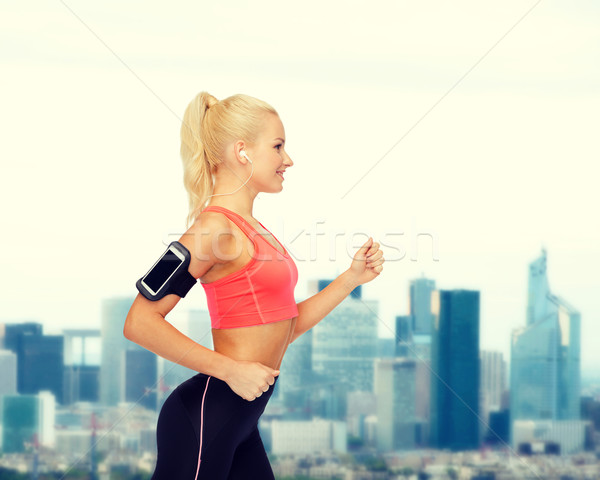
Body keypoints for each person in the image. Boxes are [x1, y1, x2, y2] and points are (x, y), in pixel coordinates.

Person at [123, 91, 385, 479]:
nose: (288, 160)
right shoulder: (213, 229)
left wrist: (350, 279)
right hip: (204, 419)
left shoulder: (257, 233)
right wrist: (230, 370)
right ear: (242, 151)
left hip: (242, 419)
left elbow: (284, 328)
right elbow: (140, 322)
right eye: (278, 147)